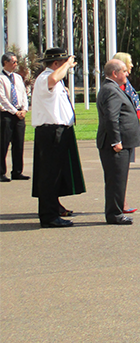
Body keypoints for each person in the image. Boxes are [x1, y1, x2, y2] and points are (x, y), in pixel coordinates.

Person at [31, 47, 86, 228]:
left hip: (59, 130)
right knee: (49, 176)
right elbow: (54, 78)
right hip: (51, 131)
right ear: (56, 64)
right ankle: (49, 216)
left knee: (56, 174)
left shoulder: (53, 81)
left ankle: (54, 210)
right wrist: (68, 65)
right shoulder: (45, 78)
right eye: (63, 63)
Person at [96, 59, 140, 225]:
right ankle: (114, 214)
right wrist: (116, 141)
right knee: (116, 180)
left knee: (119, 179)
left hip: (121, 143)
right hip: (115, 144)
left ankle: (116, 212)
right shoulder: (111, 90)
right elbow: (111, 117)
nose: (127, 74)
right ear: (115, 73)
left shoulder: (113, 88)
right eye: (124, 71)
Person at [112, 52, 139, 213]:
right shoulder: (118, 86)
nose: (132, 66)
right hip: (122, 134)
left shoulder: (125, 83)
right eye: (129, 63)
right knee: (119, 172)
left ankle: (122, 201)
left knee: (123, 170)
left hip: (129, 131)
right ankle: (120, 204)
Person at [0, 52, 30, 182]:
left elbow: (23, 93)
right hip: (6, 114)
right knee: (3, 144)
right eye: (13, 62)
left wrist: (24, 109)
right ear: (5, 63)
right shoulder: (1, 78)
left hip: (19, 114)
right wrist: (14, 111)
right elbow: (2, 98)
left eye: (16, 62)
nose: (15, 64)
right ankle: (1, 172)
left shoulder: (17, 77)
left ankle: (17, 171)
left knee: (18, 143)